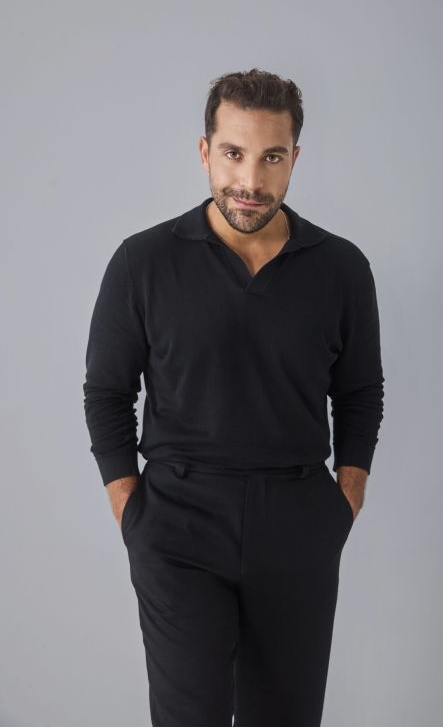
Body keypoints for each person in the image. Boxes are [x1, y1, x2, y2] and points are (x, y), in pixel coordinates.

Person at [83, 67, 385, 727]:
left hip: (298, 518)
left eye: (271, 157)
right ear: (204, 152)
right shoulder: (143, 262)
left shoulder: (341, 269)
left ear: (295, 158)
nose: (250, 180)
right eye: (233, 153)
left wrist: (346, 496)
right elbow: (107, 392)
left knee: (286, 718)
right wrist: (132, 512)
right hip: (178, 522)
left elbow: (360, 392)